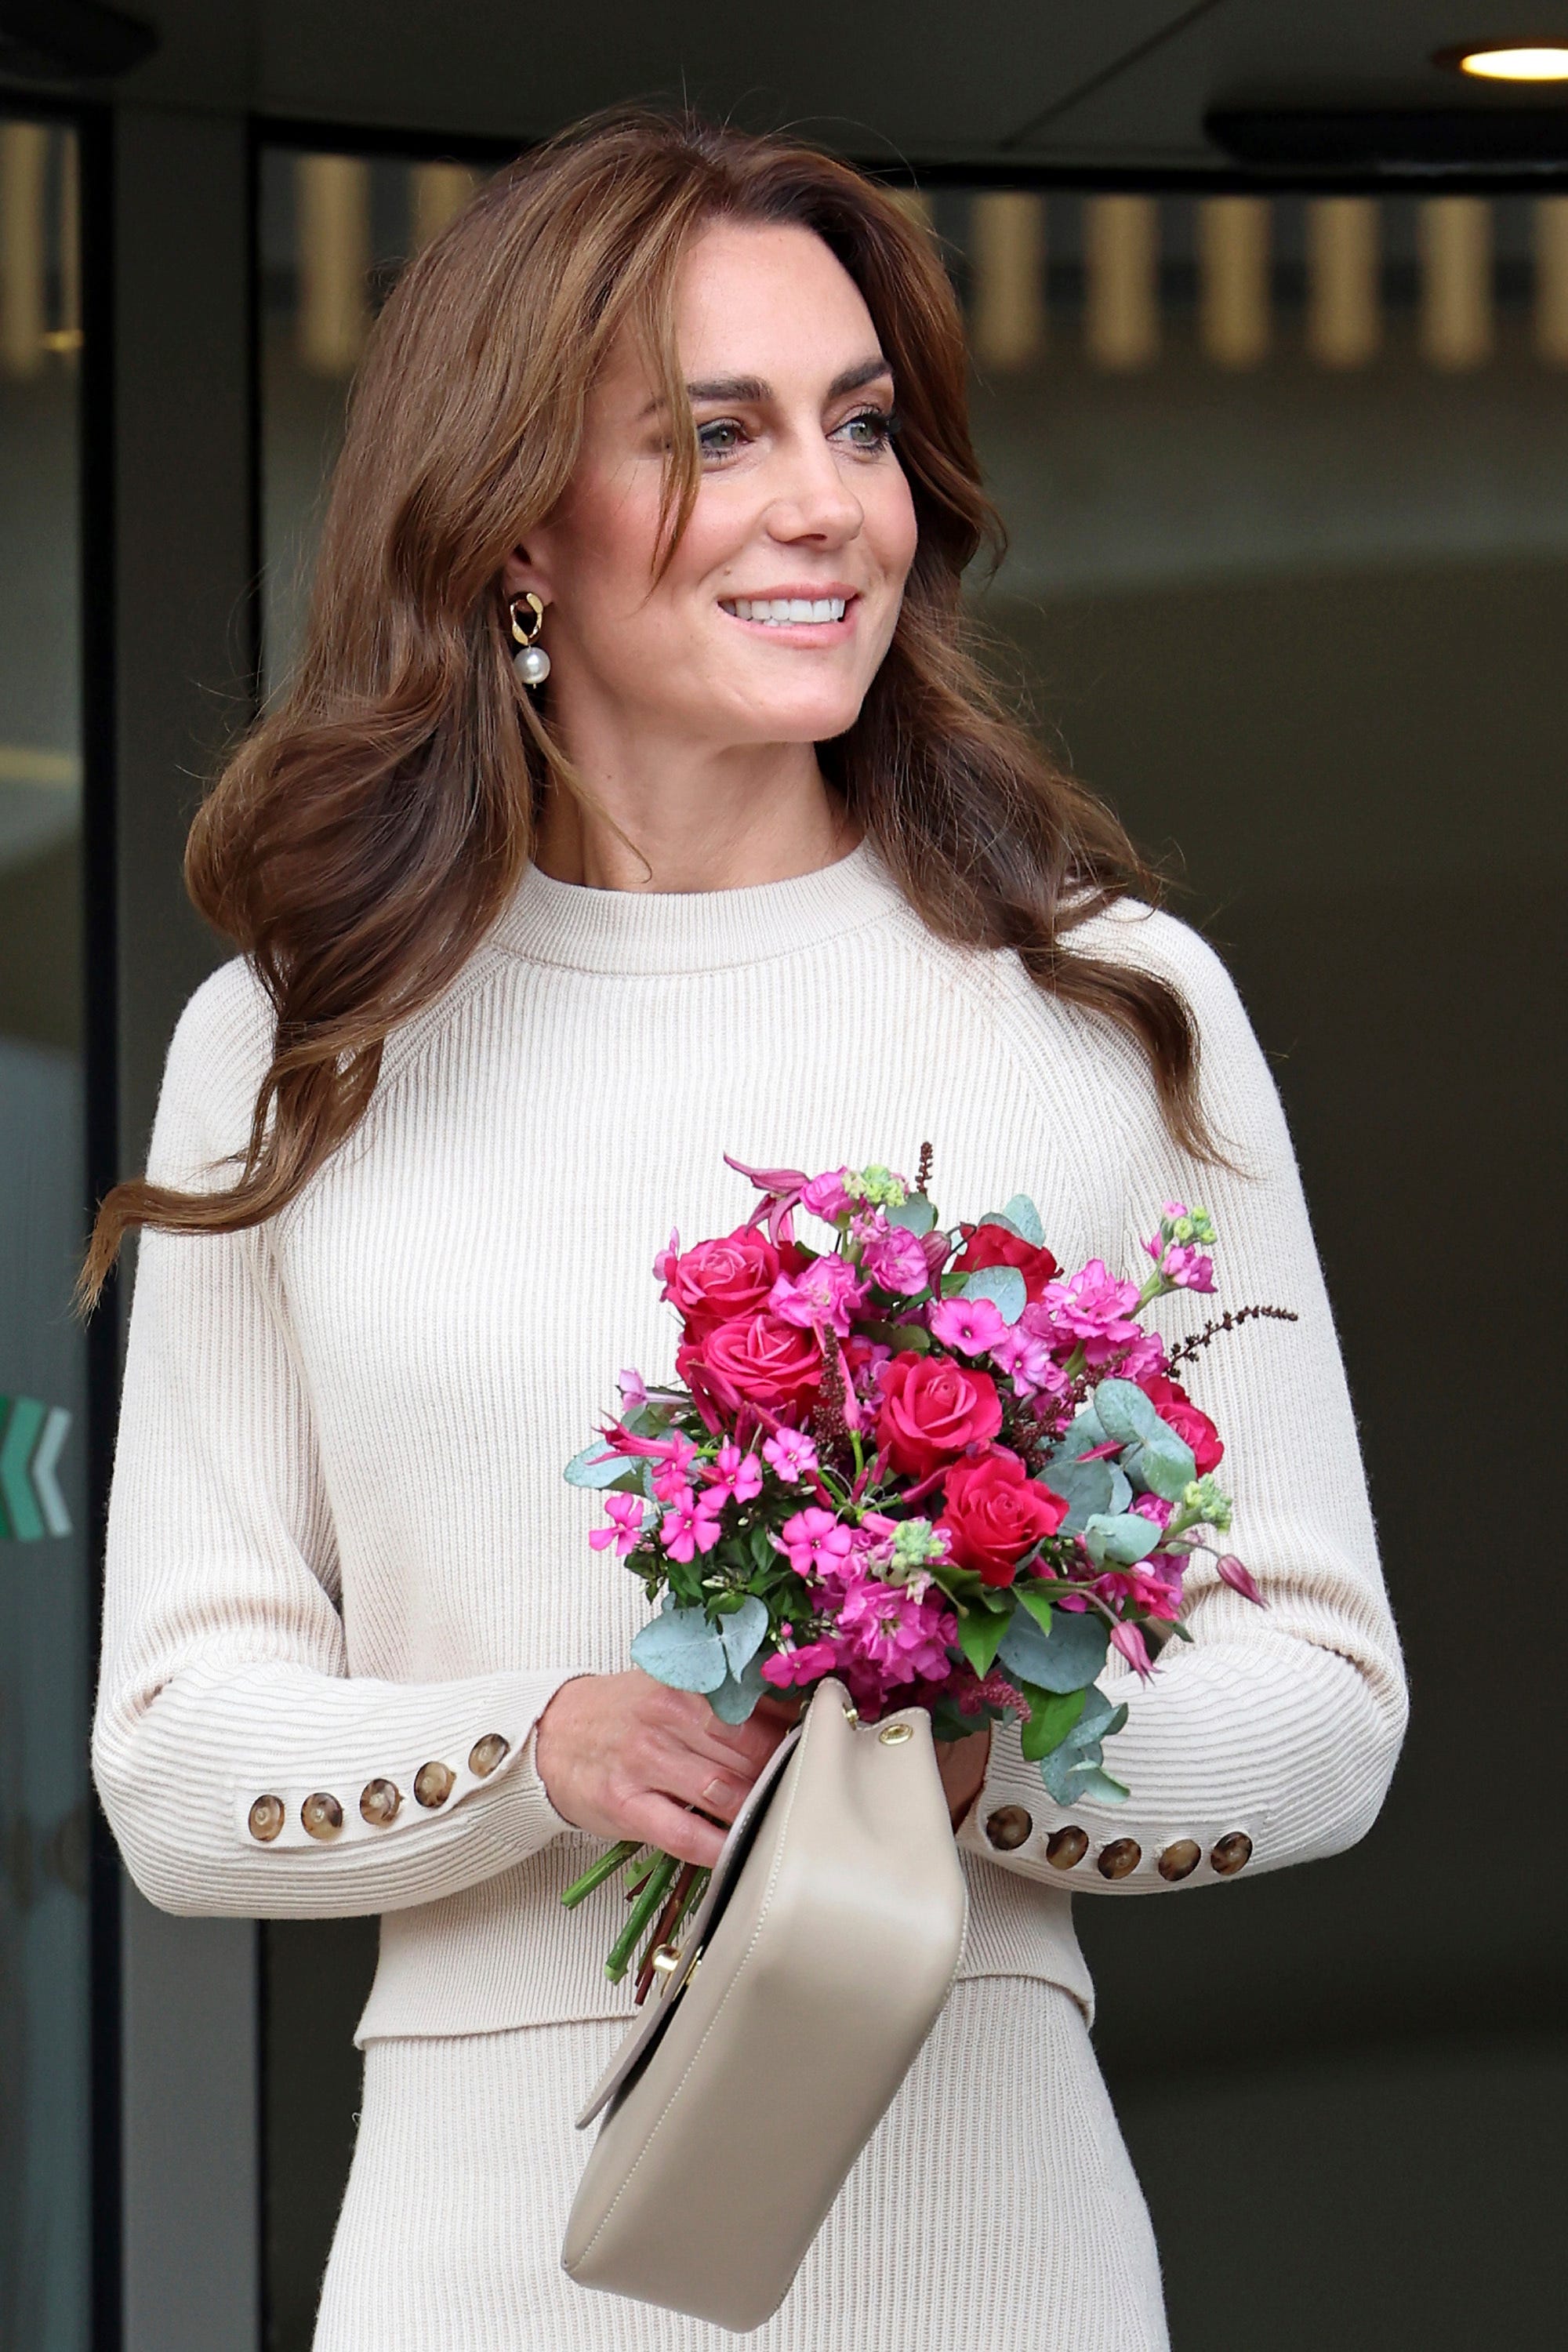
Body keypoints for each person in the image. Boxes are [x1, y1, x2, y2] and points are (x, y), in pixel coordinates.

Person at [87, 111, 1406, 2351]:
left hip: (990, 2240)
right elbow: (174, 1759)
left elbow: (1328, 1696)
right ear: (517, 524)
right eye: (720, 434)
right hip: (491, 2262)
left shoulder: (1103, 1006)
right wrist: (541, 1748)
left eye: (862, 426)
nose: (829, 506)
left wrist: (999, 1753)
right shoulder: (305, 1041)